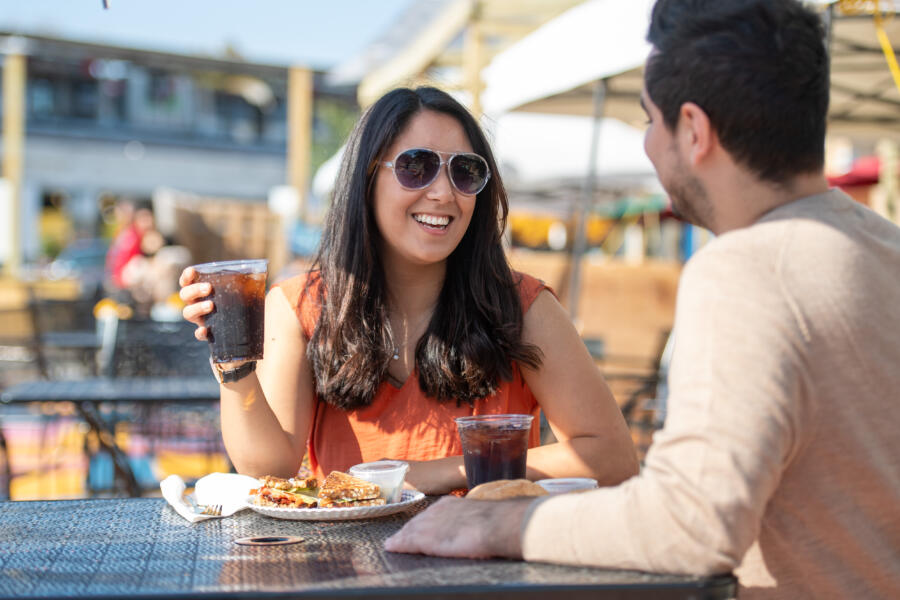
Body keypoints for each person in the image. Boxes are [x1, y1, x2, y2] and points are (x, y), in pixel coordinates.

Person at [384, 1, 900, 598]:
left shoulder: (744, 269)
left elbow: (691, 525)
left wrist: (495, 522)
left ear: (695, 131)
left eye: (650, 122)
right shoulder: (886, 249)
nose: (650, 148)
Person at [178, 86, 639, 494]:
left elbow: (613, 459)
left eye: (464, 171)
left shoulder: (524, 307)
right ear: (366, 179)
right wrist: (234, 365)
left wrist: (437, 471)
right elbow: (268, 470)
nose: (442, 192)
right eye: (416, 167)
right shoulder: (299, 306)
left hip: (482, 575)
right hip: (346, 575)